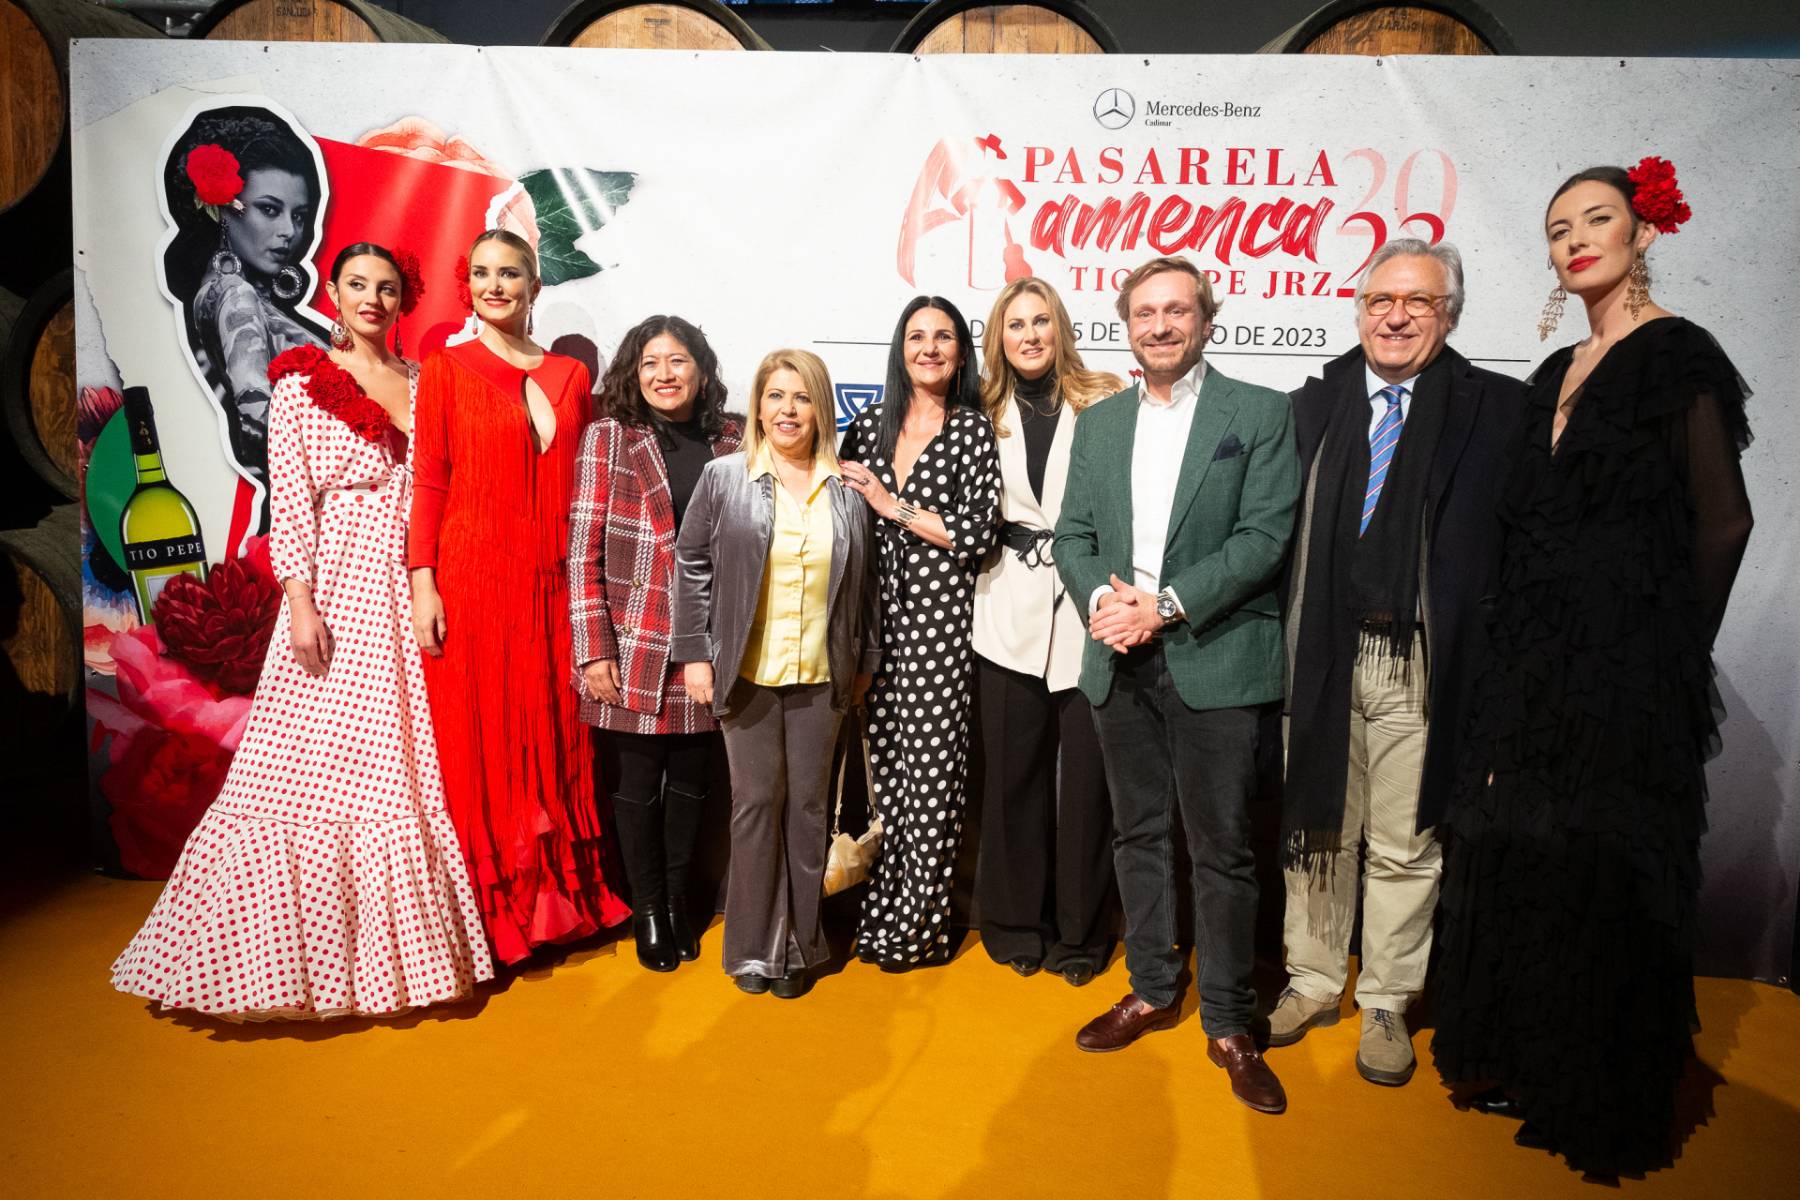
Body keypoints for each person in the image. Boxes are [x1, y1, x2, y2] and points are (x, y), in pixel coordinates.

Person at [1431, 160, 1753, 1176]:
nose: (1576, 239)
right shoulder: (1551, 372)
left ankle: (1598, 1094)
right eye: (1559, 226)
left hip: (1623, 677)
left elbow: (1726, 524)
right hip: (1527, 669)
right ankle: (1529, 1061)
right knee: (1529, 860)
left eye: (1598, 219)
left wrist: (1664, 658)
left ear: (1643, 232)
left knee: (1608, 879)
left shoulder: (1677, 357)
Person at [112, 242, 493, 1018]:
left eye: (388, 289)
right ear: (335, 292)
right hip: (340, 591)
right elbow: (291, 505)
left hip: (413, 583)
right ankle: (280, 965)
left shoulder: (424, 385)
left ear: (403, 300)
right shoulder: (300, 385)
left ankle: (397, 969)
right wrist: (302, 602)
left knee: (400, 769)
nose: (374, 300)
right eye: (359, 285)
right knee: (303, 769)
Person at [1270, 239, 1523, 1086]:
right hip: (1320, 658)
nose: (1397, 316)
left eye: (1418, 302)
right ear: (1358, 309)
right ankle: (1310, 980)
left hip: (1420, 663)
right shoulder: (1313, 405)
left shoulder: (1494, 412)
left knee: (1407, 845)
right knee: (1316, 831)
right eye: (1382, 300)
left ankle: (1386, 999)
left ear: (1448, 314)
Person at [1054, 256, 1299, 1115]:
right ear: (1127, 324)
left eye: (1177, 311)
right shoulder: (1102, 421)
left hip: (1218, 654)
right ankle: (1153, 987)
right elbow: (1072, 535)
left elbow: (1265, 538)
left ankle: (1230, 1021)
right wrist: (1104, 603)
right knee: (1138, 834)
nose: (1160, 325)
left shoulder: (1260, 415)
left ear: (1207, 319)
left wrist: (1160, 606)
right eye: (1145, 312)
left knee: (1224, 847)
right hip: (1119, 658)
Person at [409, 229, 629, 966]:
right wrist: (422, 582)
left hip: (557, 580)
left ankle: (561, 907)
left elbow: (590, 486)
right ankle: (490, 922)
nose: (494, 285)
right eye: (480, 274)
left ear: (536, 287)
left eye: (510, 273)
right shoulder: (444, 370)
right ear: (465, 286)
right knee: (488, 742)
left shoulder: (571, 375)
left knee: (558, 736)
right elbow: (431, 481)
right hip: (474, 578)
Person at [672, 349, 880, 999]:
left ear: (822, 408)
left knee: (810, 810)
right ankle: (754, 950)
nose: (787, 410)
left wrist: (865, 663)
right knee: (757, 806)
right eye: (775, 396)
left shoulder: (848, 489)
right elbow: (692, 565)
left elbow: (867, 587)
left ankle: (800, 946)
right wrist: (696, 655)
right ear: (758, 405)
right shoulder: (725, 477)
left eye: (802, 398)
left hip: (824, 674)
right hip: (746, 674)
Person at [569, 316, 743, 971]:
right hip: (630, 643)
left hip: (706, 645)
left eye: (677, 362)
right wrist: (593, 649)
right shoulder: (609, 438)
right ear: (633, 374)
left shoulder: (733, 440)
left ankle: (677, 902)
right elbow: (582, 548)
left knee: (695, 781)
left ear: (701, 371)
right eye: (650, 363)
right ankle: (647, 911)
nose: (664, 375)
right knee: (637, 786)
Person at [969, 278, 1123, 986]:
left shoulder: (1107, 396)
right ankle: (1011, 923)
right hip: (1004, 609)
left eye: (1040, 322)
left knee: (1087, 786)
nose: (1029, 335)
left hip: (1090, 609)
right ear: (998, 338)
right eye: (1014, 325)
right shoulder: (977, 411)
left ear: (1059, 328)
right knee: (1011, 778)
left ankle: (1082, 934)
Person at [839, 296, 1000, 970]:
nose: (930, 348)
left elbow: (974, 532)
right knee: (890, 788)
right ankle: (879, 921)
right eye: (917, 336)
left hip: (938, 634)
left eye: (944, 337)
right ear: (900, 349)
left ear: (962, 352)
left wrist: (892, 504)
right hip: (874, 634)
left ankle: (922, 929)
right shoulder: (868, 427)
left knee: (933, 787)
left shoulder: (971, 430)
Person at [161, 106, 327, 504]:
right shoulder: (235, 294)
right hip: (305, 499)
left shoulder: (233, 293)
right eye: (269, 209)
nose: (289, 231)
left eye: (299, 215)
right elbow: (256, 410)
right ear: (224, 210)